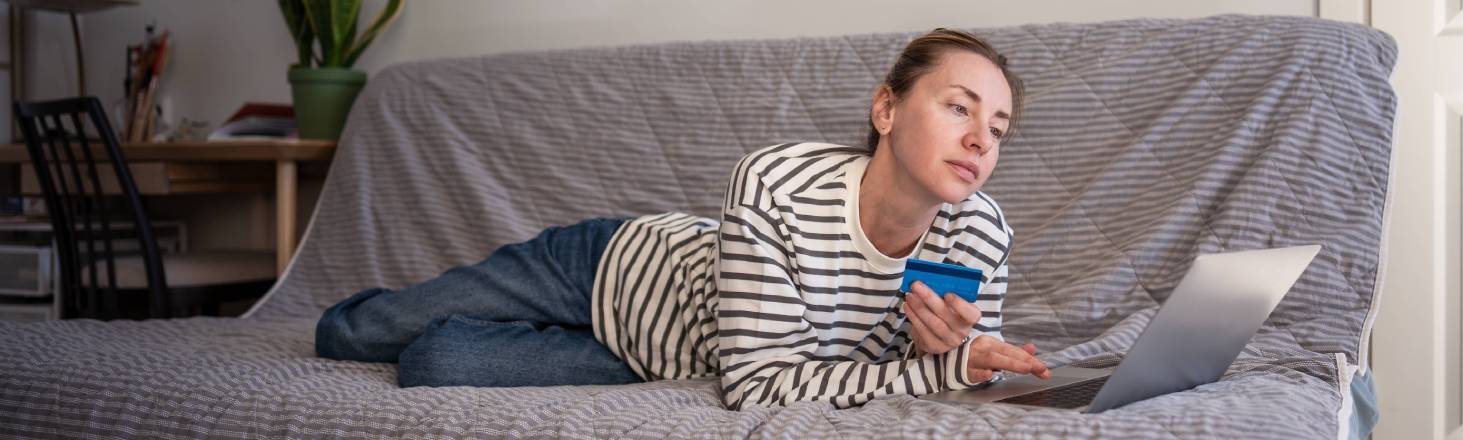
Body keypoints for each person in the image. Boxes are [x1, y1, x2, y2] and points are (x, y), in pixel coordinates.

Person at [315, 28, 1050, 410]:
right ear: (886, 109)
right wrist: (937, 370)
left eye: (1000, 126)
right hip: (607, 266)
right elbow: (766, 389)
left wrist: (954, 364)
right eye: (959, 106)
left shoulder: (982, 232)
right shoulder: (776, 182)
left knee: (436, 363)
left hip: (676, 359)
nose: (983, 138)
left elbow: (946, 377)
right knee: (351, 335)